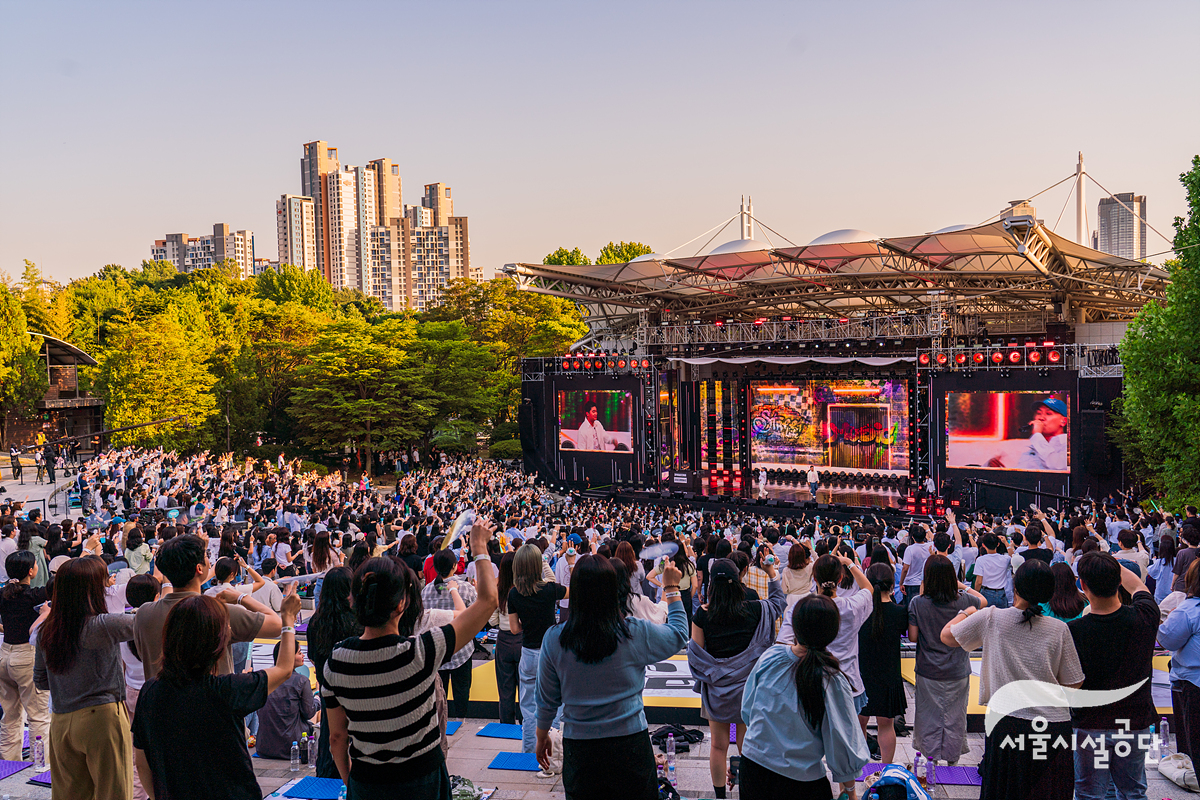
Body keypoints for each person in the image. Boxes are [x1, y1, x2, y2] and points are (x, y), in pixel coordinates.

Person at [322, 520, 498, 800]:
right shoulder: (422, 651)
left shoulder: (337, 662)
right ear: (402, 604)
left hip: (368, 780)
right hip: (423, 780)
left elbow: (337, 738)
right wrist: (479, 547)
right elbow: (488, 601)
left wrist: (353, 781)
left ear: (354, 600)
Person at [535, 555, 688, 800]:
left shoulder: (554, 639)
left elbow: (546, 700)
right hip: (630, 744)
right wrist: (671, 587)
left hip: (580, 749)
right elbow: (679, 633)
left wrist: (541, 736)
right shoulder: (634, 632)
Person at [132, 591, 303, 800]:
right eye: (225, 629)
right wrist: (288, 620)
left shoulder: (150, 692)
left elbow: (142, 764)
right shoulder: (227, 690)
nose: (230, 631)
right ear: (214, 643)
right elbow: (285, 669)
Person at [941, 560, 1084, 800]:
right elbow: (1074, 682)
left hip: (1006, 722)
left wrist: (966, 611)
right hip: (1053, 726)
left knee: (1004, 790)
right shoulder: (1058, 629)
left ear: (1015, 586)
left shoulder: (992, 618)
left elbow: (947, 636)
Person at [740, 594, 870, 799]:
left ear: (795, 626)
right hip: (801, 781)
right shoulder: (831, 680)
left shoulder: (771, 657)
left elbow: (748, 710)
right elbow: (842, 741)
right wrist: (850, 790)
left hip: (753, 767)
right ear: (832, 632)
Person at [34, 556, 138, 800]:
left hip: (60, 721)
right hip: (101, 719)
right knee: (114, 793)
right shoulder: (105, 624)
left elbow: (41, 680)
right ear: (92, 589)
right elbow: (149, 623)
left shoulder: (46, 630)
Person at [688, 557, 787, 797]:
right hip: (749, 691)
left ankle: (720, 795)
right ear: (739, 581)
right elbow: (779, 602)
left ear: (711, 585)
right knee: (748, 746)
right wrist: (772, 573)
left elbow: (697, 658)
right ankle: (749, 791)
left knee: (718, 746)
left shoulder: (702, 616)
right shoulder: (755, 609)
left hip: (717, 693)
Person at [1068, 552, 1160, 800]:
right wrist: (1113, 565)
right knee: (1133, 792)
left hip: (1089, 724)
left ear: (1082, 585)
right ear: (1118, 582)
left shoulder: (1073, 632)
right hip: (1135, 721)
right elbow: (1140, 587)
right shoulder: (1146, 616)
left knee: (1088, 793)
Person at [134, 533, 282, 680]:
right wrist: (241, 598)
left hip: (161, 702)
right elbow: (276, 625)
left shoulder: (144, 614)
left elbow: (142, 655)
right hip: (211, 702)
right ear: (199, 568)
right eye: (207, 556)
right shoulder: (220, 612)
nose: (210, 562)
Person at [906, 555, 984, 769]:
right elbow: (983, 601)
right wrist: (962, 586)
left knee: (927, 717)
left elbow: (913, 637)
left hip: (927, 670)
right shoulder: (965, 601)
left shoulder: (917, 603)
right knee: (955, 717)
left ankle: (930, 760)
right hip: (957, 670)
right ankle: (953, 760)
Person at [507, 543, 567, 753]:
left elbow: (514, 629)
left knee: (528, 706)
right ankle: (554, 750)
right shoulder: (550, 590)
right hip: (552, 653)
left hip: (529, 653)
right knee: (556, 703)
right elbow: (570, 591)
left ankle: (530, 751)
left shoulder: (513, 594)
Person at [305, 566, 362, 779]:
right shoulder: (358, 621)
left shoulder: (316, 622)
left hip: (329, 695)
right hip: (358, 697)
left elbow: (312, 656)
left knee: (331, 742)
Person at [0, 550, 50, 760]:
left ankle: (7, 765)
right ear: (31, 571)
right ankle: (40, 766)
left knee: (9, 715)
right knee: (38, 716)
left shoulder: (3, 594)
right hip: (27, 657)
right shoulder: (37, 595)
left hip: (4, 655)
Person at [857, 563, 908, 766]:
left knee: (859, 723)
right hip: (889, 674)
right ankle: (887, 768)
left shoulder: (859, 610)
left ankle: (858, 765)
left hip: (861, 674)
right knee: (886, 725)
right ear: (892, 584)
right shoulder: (899, 612)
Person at [421, 548, 476, 718]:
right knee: (462, 693)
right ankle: (461, 722)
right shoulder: (466, 588)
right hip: (462, 650)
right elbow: (476, 614)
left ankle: (441, 726)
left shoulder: (426, 591)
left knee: (438, 694)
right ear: (454, 566)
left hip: (437, 650)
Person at [1159, 559, 1200, 766]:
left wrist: (1169, 618)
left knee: (1194, 745)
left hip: (1193, 683)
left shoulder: (1189, 610)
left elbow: (1167, 639)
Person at [253, 638, 319, 759]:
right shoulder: (301, 680)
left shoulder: (263, 677)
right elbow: (309, 712)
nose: (303, 655)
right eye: (299, 653)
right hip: (291, 746)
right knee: (317, 713)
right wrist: (318, 698)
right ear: (289, 658)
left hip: (264, 747)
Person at [492, 552, 522, 726]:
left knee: (505, 689)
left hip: (503, 639)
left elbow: (493, 619)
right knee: (525, 688)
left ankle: (506, 726)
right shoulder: (523, 589)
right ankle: (526, 725)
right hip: (521, 640)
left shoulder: (498, 589)